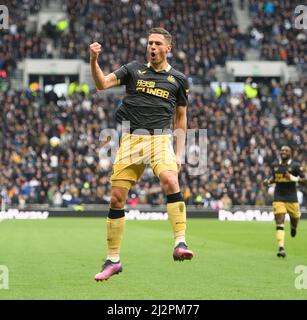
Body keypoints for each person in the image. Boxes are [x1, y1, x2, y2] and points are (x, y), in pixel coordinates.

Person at [89, 27, 193, 282]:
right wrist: (93, 60)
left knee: (170, 180)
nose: (152, 47)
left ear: (169, 48)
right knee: (116, 199)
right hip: (131, 139)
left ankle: (180, 242)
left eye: (158, 43)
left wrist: (179, 153)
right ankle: (113, 259)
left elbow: (181, 118)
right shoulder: (133, 70)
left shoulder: (178, 79)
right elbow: (102, 84)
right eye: (150, 43)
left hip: (160, 139)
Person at [263, 146, 306, 258]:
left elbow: (305, 180)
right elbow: (274, 178)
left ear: (290, 153)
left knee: (295, 219)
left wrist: (292, 178)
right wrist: (267, 182)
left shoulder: (296, 166)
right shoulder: (275, 165)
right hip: (279, 198)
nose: (283, 152)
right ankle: (281, 248)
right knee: (280, 221)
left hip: (292, 198)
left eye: (286, 151)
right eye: (282, 150)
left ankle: (293, 227)